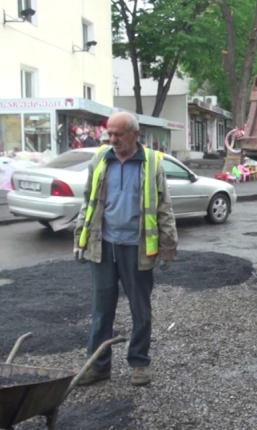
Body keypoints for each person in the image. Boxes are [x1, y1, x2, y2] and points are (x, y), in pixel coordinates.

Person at [73, 112, 178, 387]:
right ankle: (98, 366)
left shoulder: (152, 163)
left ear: (135, 134)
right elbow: (89, 201)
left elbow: (164, 207)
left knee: (140, 309)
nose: (112, 139)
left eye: (118, 134)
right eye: (109, 133)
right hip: (104, 246)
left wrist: (168, 247)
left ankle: (139, 363)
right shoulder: (100, 159)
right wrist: (80, 238)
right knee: (101, 310)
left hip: (137, 247)